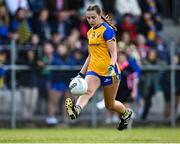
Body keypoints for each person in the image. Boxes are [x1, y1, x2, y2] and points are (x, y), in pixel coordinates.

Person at [65, 4, 132, 130]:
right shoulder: (90, 32)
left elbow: (114, 54)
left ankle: (126, 113)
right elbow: (90, 56)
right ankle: (75, 111)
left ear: (100, 16)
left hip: (109, 72)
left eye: (93, 18)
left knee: (110, 105)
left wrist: (111, 68)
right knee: (87, 91)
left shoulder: (107, 30)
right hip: (94, 69)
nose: (90, 21)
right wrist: (81, 73)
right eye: (88, 18)